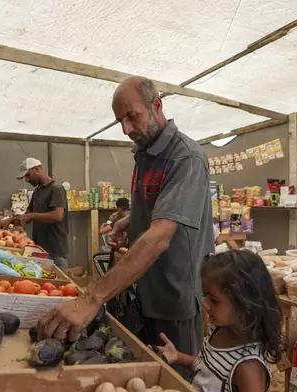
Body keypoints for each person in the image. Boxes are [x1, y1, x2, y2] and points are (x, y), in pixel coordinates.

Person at [38, 76, 214, 377]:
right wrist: (130, 220)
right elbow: (158, 207)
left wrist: (91, 298)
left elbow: (160, 236)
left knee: (174, 379)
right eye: (120, 120)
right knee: (141, 374)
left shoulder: (186, 157)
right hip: (142, 290)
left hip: (173, 296)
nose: (127, 129)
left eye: (132, 116)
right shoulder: (146, 153)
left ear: (156, 105)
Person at [156, 250, 285, 392]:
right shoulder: (218, 329)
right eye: (205, 296)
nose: (205, 304)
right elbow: (207, 368)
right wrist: (178, 357)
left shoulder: (249, 366)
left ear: (245, 305)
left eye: (214, 300)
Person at [0, 157, 69, 271]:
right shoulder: (37, 191)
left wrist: (30, 216)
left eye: (28, 175)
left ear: (36, 169)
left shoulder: (56, 189)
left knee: (58, 285)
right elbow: (28, 214)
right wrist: (12, 221)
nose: (26, 180)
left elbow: (57, 216)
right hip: (39, 249)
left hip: (55, 251)